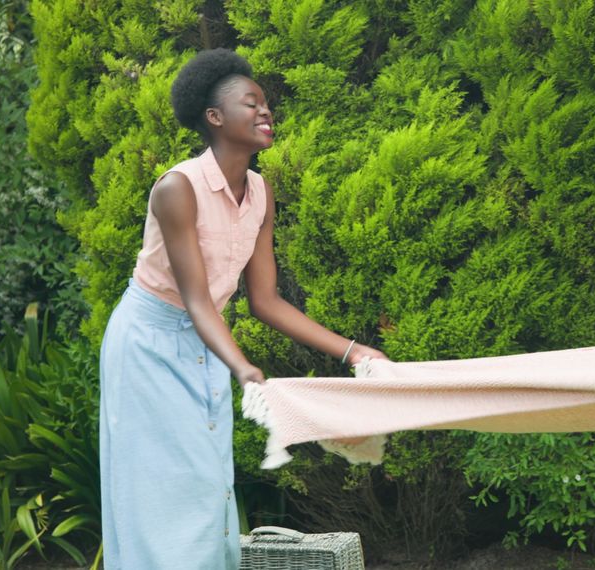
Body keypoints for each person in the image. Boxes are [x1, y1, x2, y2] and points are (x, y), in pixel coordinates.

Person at [99, 48, 386, 569]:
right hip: (148, 344)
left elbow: (265, 301)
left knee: (208, 482)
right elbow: (195, 298)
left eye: (266, 105)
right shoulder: (177, 188)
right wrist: (243, 368)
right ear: (214, 118)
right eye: (250, 103)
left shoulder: (259, 192)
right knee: (162, 488)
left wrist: (353, 351)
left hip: (206, 343)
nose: (264, 112)